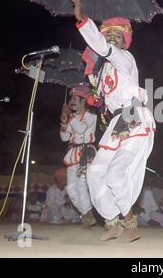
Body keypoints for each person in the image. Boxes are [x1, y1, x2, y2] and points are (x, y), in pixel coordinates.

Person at [70, 0, 156, 243]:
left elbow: (103, 49)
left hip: (133, 115)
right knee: (95, 172)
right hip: (118, 122)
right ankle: (111, 220)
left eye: (117, 36)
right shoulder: (104, 68)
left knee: (116, 172)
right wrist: (91, 72)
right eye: (108, 34)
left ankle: (130, 222)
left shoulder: (125, 58)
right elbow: (98, 93)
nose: (111, 38)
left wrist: (83, 20)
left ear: (125, 42)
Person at [60, 85, 97, 229]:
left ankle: (87, 218)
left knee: (82, 187)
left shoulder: (91, 115)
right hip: (72, 154)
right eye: (71, 98)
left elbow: (81, 128)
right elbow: (64, 138)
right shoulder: (72, 117)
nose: (72, 101)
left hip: (86, 153)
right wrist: (64, 122)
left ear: (84, 101)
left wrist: (69, 117)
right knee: (70, 189)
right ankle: (87, 214)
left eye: (76, 98)